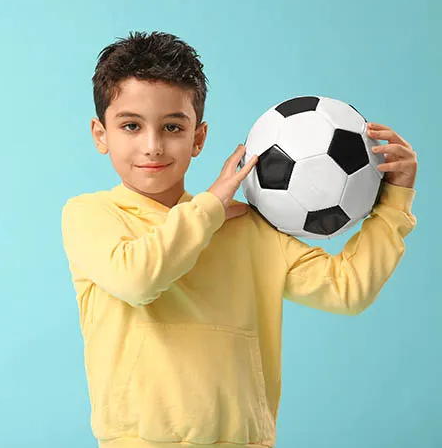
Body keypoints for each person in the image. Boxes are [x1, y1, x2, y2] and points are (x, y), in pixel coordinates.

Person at [60, 31, 418, 448]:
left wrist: (394, 201)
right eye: (131, 126)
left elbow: (347, 289)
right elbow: (138, 280)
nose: (152, 146)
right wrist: (209, 208)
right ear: (100, 134)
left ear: (199, 138)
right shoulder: (91, 215)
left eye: (172, 126)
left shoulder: (245, 227)